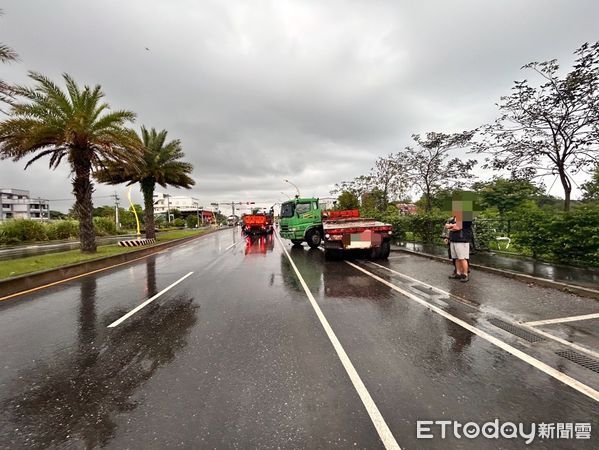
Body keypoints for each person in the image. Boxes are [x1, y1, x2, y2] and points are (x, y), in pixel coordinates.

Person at [445, 204, 473, 282]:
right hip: (453, 240)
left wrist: (452, 227)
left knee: (462, 258)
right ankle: (458, 273)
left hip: (462, 240)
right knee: (456, 258)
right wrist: (452, 226)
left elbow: (458, 227)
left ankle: (465, 274)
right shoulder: (453, 218)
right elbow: (446, 225)